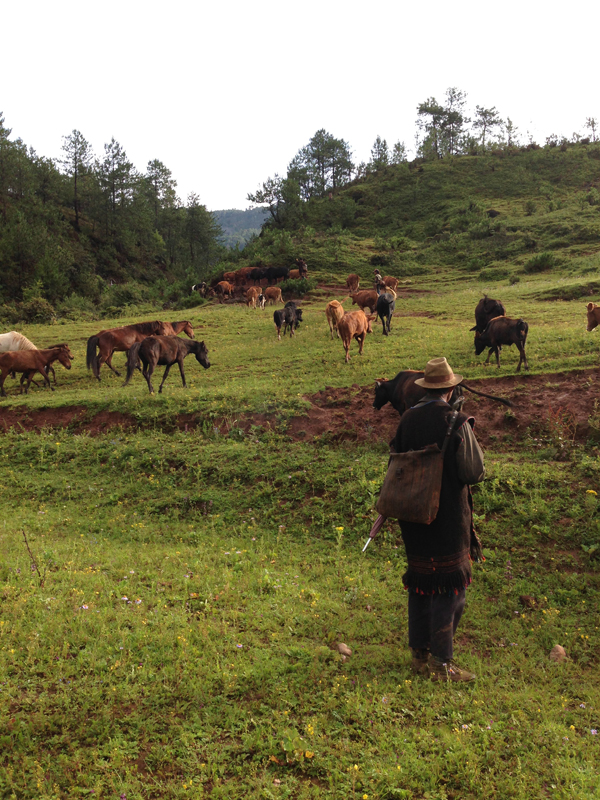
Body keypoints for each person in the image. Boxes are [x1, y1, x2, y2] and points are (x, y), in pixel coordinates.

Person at [390, 357, 485, 682]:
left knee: (420, 583)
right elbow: (474, 472)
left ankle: (419, 656)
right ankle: (441, 664)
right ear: (450, 388)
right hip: (446, 517)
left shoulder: (406, 420)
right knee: (449, 588)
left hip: (412, 514)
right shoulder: (455, 422)